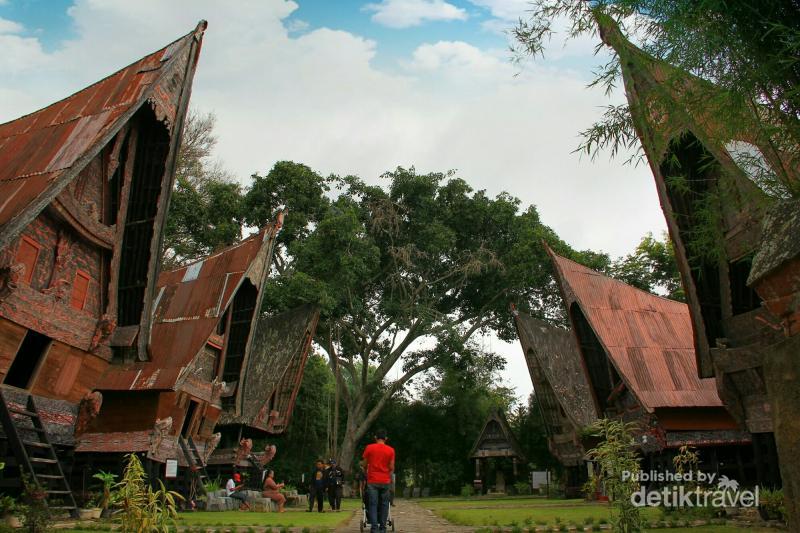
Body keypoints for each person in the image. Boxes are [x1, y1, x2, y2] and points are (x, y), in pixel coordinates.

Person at [362, 429, 395, 533]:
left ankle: (374, 528)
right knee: (385, 504)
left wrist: (365, 470)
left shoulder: (369, 448)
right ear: (386, 438)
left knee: (373, 504)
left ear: (375, 437)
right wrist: (387, 475)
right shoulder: (391, 450)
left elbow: (364, 464)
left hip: (372, 480)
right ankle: (383, 528)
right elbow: (391, 467)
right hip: (385, 480)